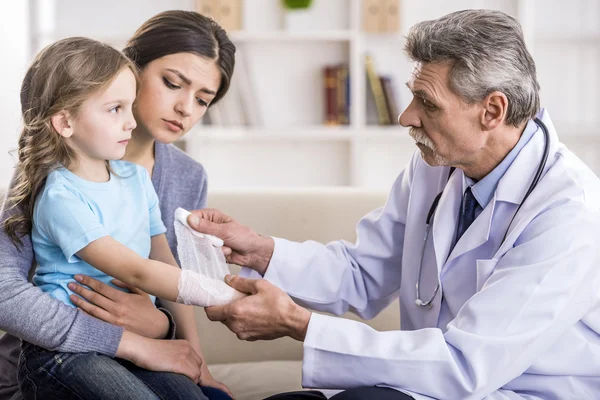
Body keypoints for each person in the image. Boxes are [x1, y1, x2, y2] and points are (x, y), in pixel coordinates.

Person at [187, 10, 600, 400]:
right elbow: (363, 272)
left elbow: (465, 364)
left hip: (523, 390)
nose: (406, 117)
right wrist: (259, 250)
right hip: (428, 382)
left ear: (492, 110)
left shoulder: (569, 213)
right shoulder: (436, 166)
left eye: (428, 103)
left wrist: (300, 325)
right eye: (412, 97)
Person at [0, 11, 234, 400]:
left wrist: (170, 336)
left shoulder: (185, 177)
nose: (186, 109)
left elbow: (164, 280)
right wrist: (135, 339)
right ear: (131, 68)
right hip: (54, 362)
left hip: (144, 354)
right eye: (173, 83)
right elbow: (5, 292)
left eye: (203, 100)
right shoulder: (49, 174)